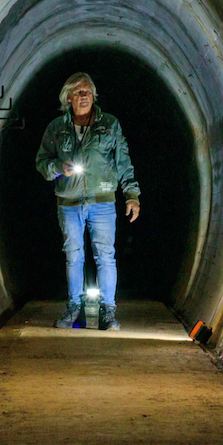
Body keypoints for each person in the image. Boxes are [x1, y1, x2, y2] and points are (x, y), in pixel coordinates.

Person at [36, 72, 141, 330]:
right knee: (73, 256)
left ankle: (108, 312)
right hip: (68, 202)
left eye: (88, 92)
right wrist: (60, 167)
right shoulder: (56, 128)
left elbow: (123, 161)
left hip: (102, 200)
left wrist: (131, 195)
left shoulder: (110, 125)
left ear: (94, 96)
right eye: (78, 92)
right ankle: (75, 308)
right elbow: (42, 163)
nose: (84, 97)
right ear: (68, 98)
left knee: (105, 255)